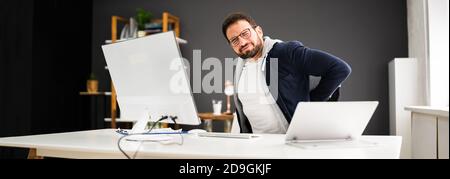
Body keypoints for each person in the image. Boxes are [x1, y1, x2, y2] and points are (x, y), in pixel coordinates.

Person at [222, 12, 352, 134]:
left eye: (245, 33)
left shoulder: (285, 52)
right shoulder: (241, 66)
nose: (242, 42)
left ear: (259, 31)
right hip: (257, 147)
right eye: (234, 40)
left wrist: (310, 105)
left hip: (289, 145)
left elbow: (339, 68)